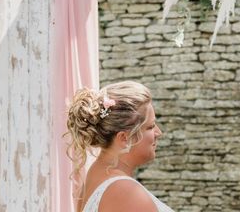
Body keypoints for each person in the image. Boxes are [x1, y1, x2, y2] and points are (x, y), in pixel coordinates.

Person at [66, 81, 175, 212]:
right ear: (124, 138)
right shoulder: (125, 191)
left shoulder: (94, 174)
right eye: (150, 127)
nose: (158, 132)